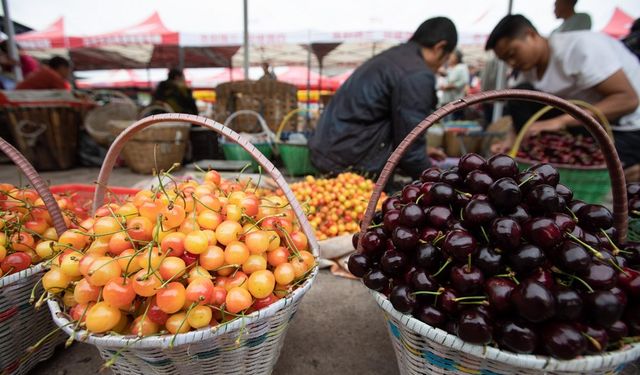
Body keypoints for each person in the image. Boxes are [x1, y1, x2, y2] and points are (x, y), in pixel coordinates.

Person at [485, 15, 640, 180]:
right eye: (506, 60)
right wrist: (511, 141)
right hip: (584, 127)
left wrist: (559, 122)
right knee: (519, 94)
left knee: (610, 172)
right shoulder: (528, 71)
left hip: (625, 130)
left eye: (512, 53)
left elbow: (628, 99)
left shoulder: (580, 47)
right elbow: (521, 108)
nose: (512, 63)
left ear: (530, 35)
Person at [308, 17, 455, 181]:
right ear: (439, 47)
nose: (442, 65)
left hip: (333, 149)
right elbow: (410, 151)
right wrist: (440, 184)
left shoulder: (394, 58)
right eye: (446, 58)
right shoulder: (416, 74)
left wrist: (422, 150)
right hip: (349, 161)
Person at [439, 49, 470, 120]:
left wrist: (451, 86)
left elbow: (464, 81)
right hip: (446, 99)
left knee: (454, 119)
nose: (450, 56)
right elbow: (447, 77)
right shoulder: (450, 68)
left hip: (456, 98)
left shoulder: (462, 67)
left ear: (457, 57)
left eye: (453, 55)